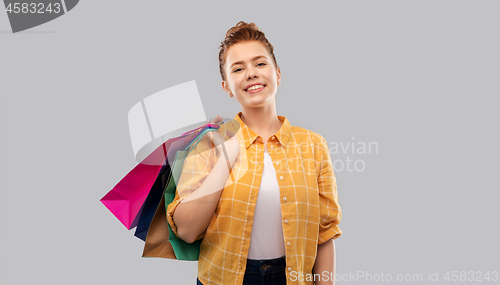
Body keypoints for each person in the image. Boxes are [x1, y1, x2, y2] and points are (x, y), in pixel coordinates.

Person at [166, 21, 342, 285]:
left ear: (278, 74)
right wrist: (226, 156)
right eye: (238, 68)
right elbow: (188, 231)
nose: (250, 73)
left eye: (260, 64)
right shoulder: (210, 143)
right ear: (226, 86)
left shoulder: (314, 144)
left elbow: (325, 233)